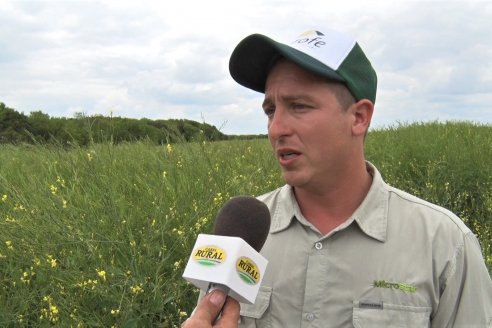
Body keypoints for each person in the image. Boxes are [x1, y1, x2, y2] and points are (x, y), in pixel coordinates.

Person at [183, 28, 492, 327]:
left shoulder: (445, 244)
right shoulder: (242, 235)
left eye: (299, 106)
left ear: (359, 117)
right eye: (270, 110)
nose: (276, 129)